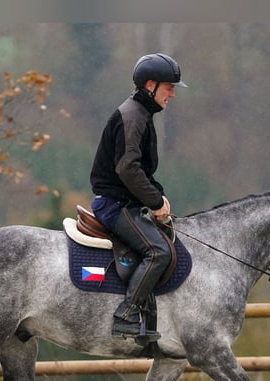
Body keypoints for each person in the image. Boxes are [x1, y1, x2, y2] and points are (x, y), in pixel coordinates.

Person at [90, 53, 188, 343]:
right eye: (169, 87)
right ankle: (127, 314)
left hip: (126, 201)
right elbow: (127, 169)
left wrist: (159, 196)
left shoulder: (141, 114)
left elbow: (140, 170)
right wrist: (156, 202)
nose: (172, 93)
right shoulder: (133, 116)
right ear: (150, 85)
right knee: (159, 252)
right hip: (114, 205)